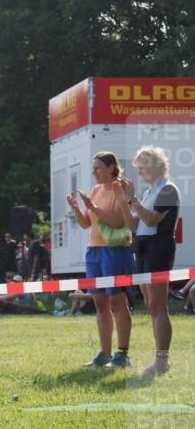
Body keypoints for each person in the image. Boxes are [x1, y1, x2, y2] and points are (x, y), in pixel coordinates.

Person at [116, 146, 181, 376]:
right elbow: (134, 226)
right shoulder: (149, 192)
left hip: (159, 248)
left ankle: (162, 361)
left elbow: (152, 220)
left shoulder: (168, 190)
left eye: (142, 169)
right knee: (151, 306)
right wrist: (124, 201)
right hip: (143, 247)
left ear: (154, 166)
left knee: (158, 306)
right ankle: (160, 361)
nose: (140, 173)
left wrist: (132, 199)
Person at [67, 151, 134, 368]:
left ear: (111, 168)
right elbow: (86, 223)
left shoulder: (119, 188)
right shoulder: (96, 190)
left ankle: (122, 354)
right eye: (93, 168)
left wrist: (91, 206)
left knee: (117, 301)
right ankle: (104, 354)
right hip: (93, 251)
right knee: (99, 302)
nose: (93, 171)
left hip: (114, 251)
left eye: (97, 167)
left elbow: (116, 222)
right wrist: (77, 208)